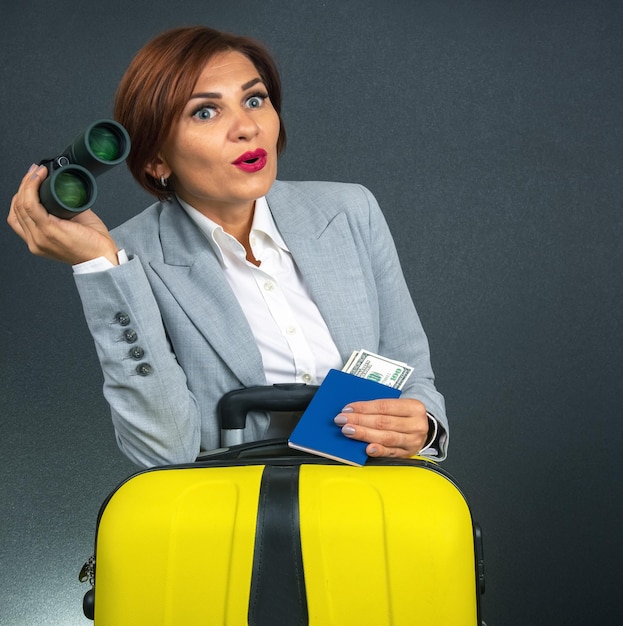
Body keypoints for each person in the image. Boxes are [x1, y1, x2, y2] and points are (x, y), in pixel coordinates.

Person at [8, 26, 448, 468]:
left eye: (254, 100)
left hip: (372, 502)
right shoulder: (129, 260)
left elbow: (412, 373)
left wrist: (423, 425)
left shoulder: (350, 210)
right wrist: (100, 269)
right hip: (232, 516)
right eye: (205, 112)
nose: (247, 127)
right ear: (156, 160)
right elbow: (165, 451)